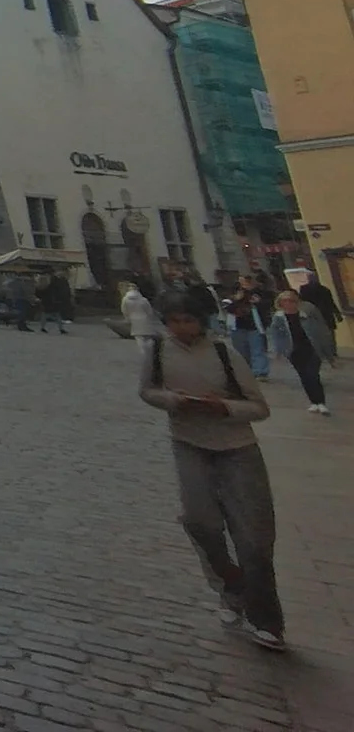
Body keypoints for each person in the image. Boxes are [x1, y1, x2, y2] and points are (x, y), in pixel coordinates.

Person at [140, 290, 283, 651]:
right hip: (188, 443)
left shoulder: (224, 353)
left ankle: (266, 620)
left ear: (201, 321)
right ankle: (230, 586)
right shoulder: (158, 351)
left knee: (253, 538)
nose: (180, 327)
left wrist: (225, 408)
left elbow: (259, 407)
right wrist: (172, 400)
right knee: (200, 523)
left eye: (187, 320)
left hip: (237, 447)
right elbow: (147, 391)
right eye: (174, 321)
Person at [269, 290, 333, 415]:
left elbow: (320, 332)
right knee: (304, 377)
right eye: (285, 301)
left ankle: (321, 402)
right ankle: (314, 402)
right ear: (280, 303)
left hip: (311, 349)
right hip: (294, 351)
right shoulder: (278, 318)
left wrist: (328, 353)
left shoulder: (305, 315)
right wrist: (279, 351)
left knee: (313, 375)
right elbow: (276, 336)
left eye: (291, 301)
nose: (288, 304)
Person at [227, 275, 273, 380]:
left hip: (255, 325)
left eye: (245, 282)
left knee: (257, 349)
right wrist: (236, 299)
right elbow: (228, 308)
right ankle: (247, 370)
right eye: (241, 281)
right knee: (241, 350)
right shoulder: (234, 291)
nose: (244, 284)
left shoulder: (260, 292)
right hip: (237, 326)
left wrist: (258, 302)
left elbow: (268, 305)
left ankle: (260, 372)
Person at [295, 273, 342, 366]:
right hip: (318, 315)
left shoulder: (306, 289)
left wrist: (337, 314)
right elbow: (331, 302)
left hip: (318, 315)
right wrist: (337, 314)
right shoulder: (323, 289)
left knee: (323, 334)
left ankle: (328, 352)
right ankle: (330, 352)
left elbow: (330, 302)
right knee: (326, 334)